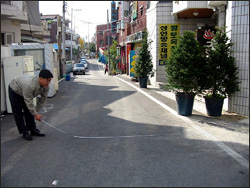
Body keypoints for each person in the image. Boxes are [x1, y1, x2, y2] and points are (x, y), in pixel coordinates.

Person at [8, 69, 53, 141]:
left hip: (25, 92)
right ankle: (24, 132)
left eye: (50, 81)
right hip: (15, 90)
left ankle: (33, 129)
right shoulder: (29, 85)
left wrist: (36, 110)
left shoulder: (46, 86)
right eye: (47, 80)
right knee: (18, 112)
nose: (48, 83)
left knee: (29, 110)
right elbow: (28, 101)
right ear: (40, 78)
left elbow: (43, 98)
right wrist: (35, 114)